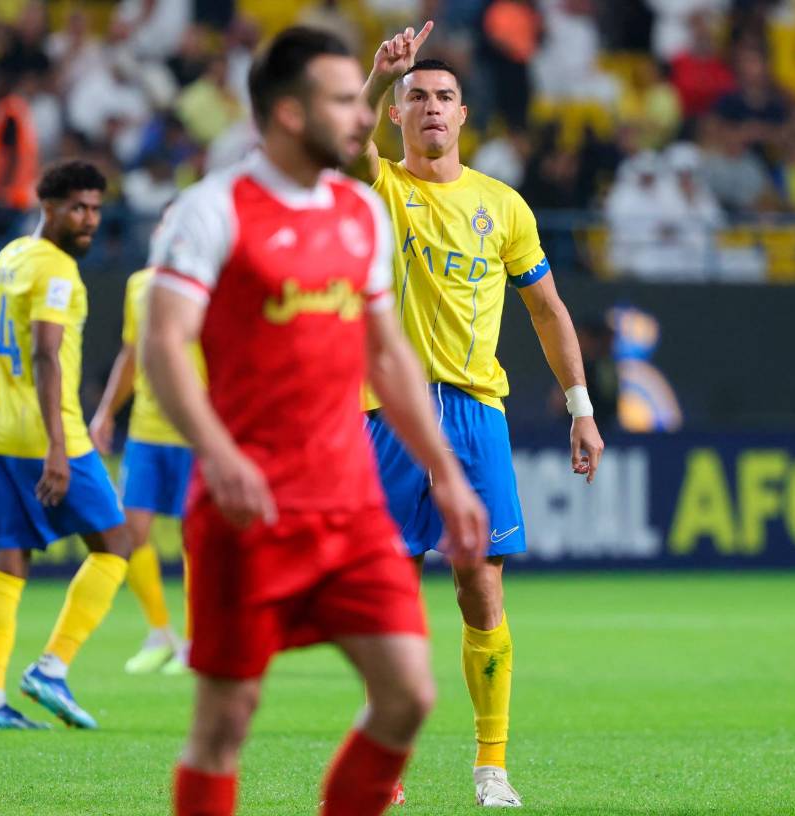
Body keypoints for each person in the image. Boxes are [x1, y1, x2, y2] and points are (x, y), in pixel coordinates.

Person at [142, 27, 488, 816]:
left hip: (351, 508)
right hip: (247, 509)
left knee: (407, 695)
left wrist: (448, 473)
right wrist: (218, 453)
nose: (364, 116)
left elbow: (389, 357)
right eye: (343, 100)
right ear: (291, 114)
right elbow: (164, 345)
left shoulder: (359, 212)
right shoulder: (209, 212)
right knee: (224, 722)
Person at [351, 22, 605, 807]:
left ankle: (490, 766)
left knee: (479, 588)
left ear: (464, 115)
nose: (430, 108)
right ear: (397, 116)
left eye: (443, 98)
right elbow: (336, 147)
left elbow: (549, 311)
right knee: (386, 596)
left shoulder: (503, 205)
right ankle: (381, 766)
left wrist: (581, 408)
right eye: (415, 98)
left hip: (473, 413)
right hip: (387, 414)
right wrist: (373, 77)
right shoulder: (380, 186)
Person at [0, 160, 133, 730]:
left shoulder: (11, 255)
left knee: (9, 558)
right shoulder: (58, 269)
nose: (89, 220)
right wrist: (58, 448)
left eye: (95, 209)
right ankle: (51, 667)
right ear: (49, 208)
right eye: (78, 209)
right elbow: (43, 352)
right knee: (117, 542)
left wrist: (8, 401)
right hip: (49, 433)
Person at [90, 263, 206, 675]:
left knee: (196, 538)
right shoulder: (138, 283)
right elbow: (132, 351)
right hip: (145, 430)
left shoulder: (207, 281)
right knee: (129, 531)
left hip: (194, 428)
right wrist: (106, 412)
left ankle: (196, 642)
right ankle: (161, 632)